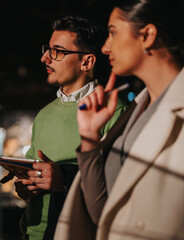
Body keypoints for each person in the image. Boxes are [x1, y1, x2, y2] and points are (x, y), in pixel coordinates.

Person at [54, 0, 184, 239]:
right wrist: (90, 137)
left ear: (147, 35)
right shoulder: (136, 111)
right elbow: (103, 213)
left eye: (113, 33)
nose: (105, 47)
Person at [14, 16, 126, 240]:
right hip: (31, 233)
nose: (45, 57)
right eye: (47, 49)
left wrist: (63, 181)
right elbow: (30, 168)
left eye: (57, 51)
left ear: (87, 62)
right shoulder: (44, 114)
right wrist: (24, 184)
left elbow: (118, 187)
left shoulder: (112, 112)